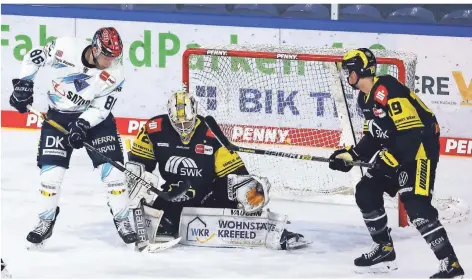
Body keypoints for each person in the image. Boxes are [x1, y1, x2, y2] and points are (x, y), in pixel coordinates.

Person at [329, 48, 464, 278]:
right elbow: (373, 136)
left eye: (350, 71)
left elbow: (412, 135)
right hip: (397, 152)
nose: (347, 76)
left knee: (416, 206)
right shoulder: (364, 98)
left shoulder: (388, 89)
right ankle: (384, 248)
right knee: (366, 191)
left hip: (420, 153)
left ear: (363, 70)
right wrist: (351, 156)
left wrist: (389, 159)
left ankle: (450, 264)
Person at [125, 91, 307, 250]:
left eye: (187, 123)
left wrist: (247, 192)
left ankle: (275, 231)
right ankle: (169, 223)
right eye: (177, 123)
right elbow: (137, 166)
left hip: (209, 194)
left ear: (195, 113)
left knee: (241, 193)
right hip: (174, 195)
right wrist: (144, 191)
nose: (182, 128)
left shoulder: (210, 132)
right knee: (155, 215)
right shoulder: (153, 129)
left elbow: (236, 173)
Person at [9, 27, 136, 247]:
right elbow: (33, 57)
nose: (111, 62)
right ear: (95, 49)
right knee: (50, 178)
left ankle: (122, 219)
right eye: (107, 56)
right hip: (58, 117)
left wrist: (82, 124)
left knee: (114, 175)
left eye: (115, 57)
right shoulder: (65, 47)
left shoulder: (116, 74)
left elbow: (101, 109)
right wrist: (24, 85)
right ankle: (45, 221)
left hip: (96, 122)